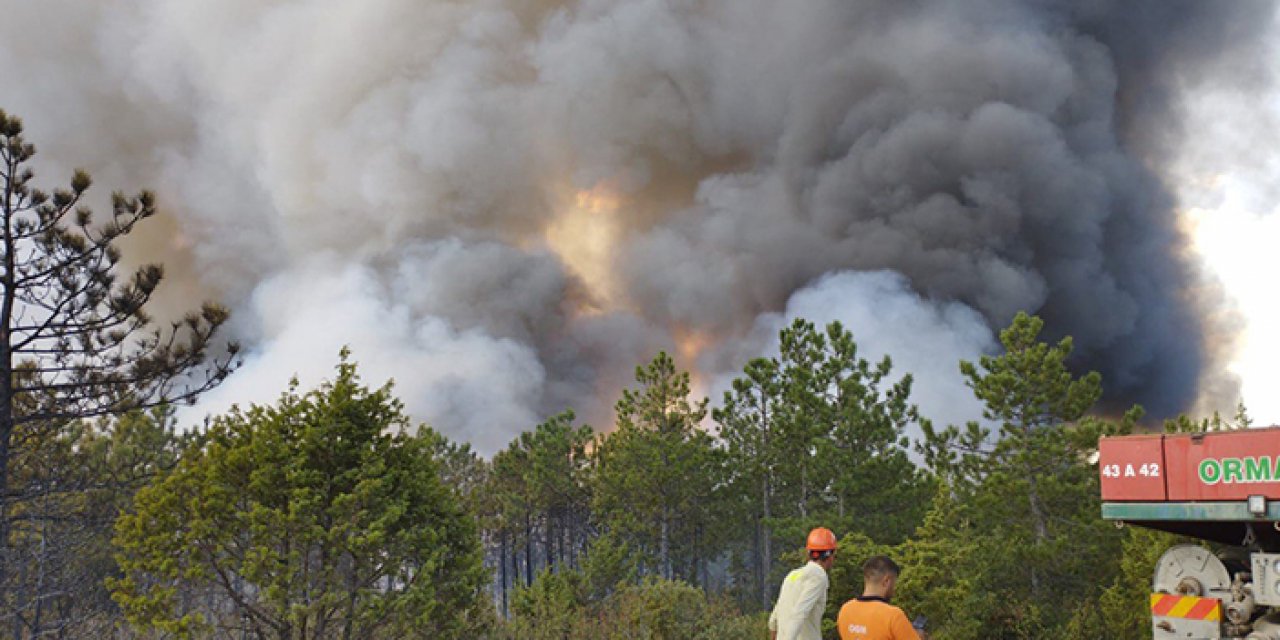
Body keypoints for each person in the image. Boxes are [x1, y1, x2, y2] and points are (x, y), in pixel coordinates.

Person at [768, 527, 837, 640]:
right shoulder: (818, 575)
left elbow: (774, 619)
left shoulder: (792, 575)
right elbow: (800, 612)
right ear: (829, 556)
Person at [836, 555, 924, 640]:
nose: (894, 589)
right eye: (894, 583)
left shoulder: (845, 610)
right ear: (887, 581)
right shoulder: (894, 616)